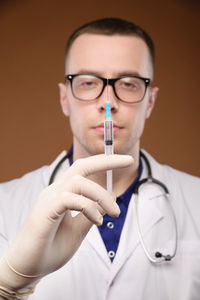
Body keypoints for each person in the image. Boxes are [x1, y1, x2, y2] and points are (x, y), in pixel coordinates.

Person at [0, 17, 199, 300]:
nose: (108, 102)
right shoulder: (4, 206)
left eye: (129, 83)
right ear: (64, 98)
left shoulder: (196, 200)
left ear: (150, 101)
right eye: (88, 82)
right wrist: (8, 285)